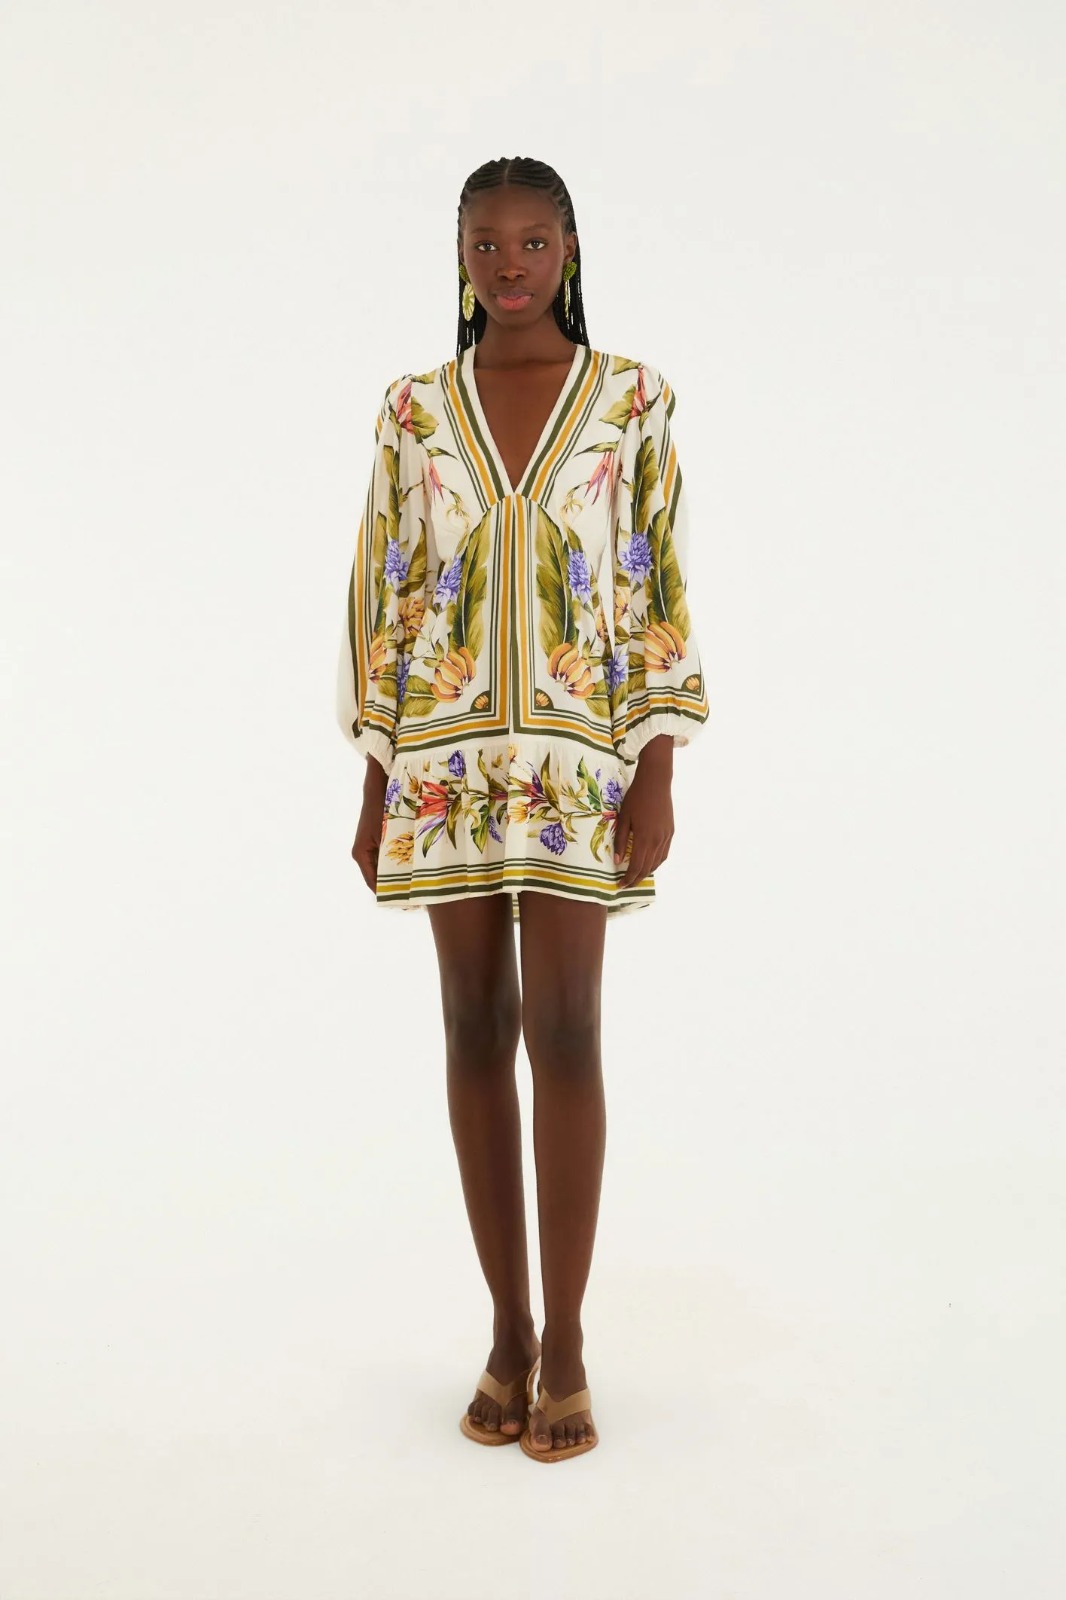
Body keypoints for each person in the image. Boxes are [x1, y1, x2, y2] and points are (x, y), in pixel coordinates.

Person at [337, 157, 709, 1462]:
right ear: (460, 256)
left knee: (567, 1028)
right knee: (471, 1027)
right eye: (486, 243)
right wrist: (374, 773)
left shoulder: (631, 403)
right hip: (442, 760)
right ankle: (505, 1332)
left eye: (533, 242)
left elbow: (656, 584)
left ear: (569, 251)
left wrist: (657, 762)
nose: (509, 265)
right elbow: (387, 592)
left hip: (575, 763)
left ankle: (570, 1341)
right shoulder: (411, 411)